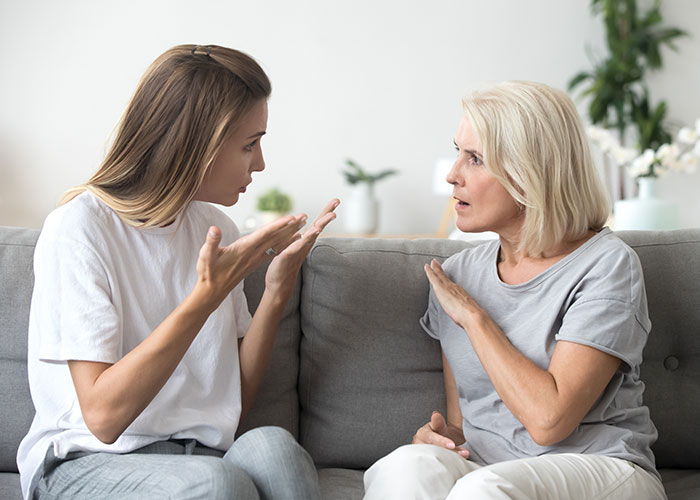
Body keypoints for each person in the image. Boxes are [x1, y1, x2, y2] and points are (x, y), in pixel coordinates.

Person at [17, 44, 339, 500]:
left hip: (195, 459)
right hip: (85, 462)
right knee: (217, 482)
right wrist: (203, 299)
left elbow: (230, 406)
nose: (261, 163)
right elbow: (104, 419)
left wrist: (276, 289)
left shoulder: (215, 230)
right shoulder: (79, 228)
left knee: (275, 450)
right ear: (194, 145)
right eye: (249, 144)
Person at [363, 81, 666, 500]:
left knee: (483, 490)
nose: (452, 175)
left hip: (601, 466)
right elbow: (464, 423)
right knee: (405, 466)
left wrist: (474, 318)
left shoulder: (606, 265)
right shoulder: (457, 275)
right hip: (489, 469)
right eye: (457, 153)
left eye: (475, 159)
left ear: (529, 174)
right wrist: (441, 439)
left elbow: (549, 421)